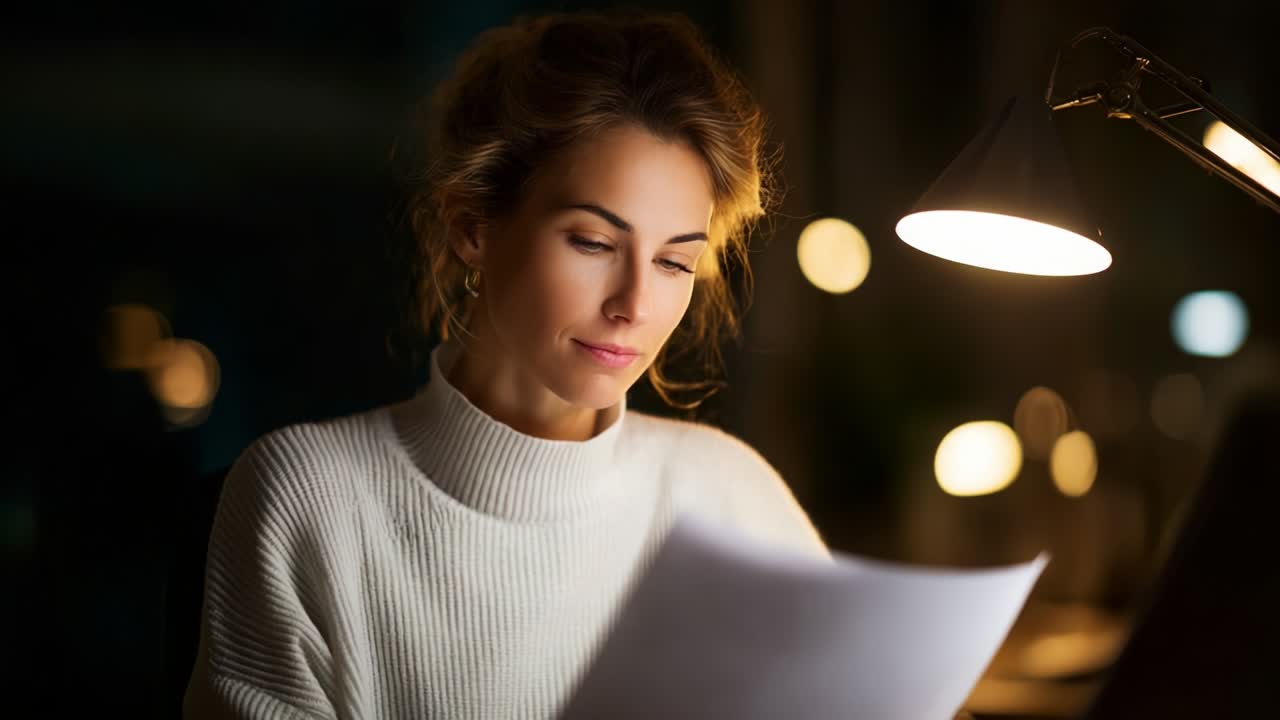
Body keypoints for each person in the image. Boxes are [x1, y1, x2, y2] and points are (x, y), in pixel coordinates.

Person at [184, 9, 829, 719]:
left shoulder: (731, 495)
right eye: (591, 242)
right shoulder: (309, 499)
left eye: (677, 260)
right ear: (471, 227)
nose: (636, 303)